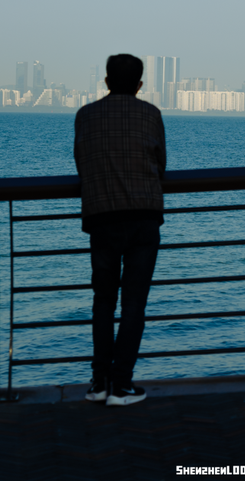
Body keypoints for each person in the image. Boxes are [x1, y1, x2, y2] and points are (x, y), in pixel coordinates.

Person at [74, 53, 166, 406]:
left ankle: (98, 383)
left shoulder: (85, 115)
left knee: (103, 302)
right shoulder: (151, 115)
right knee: (134, 304)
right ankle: (122, 384)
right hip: (143, 217)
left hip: (102, 217)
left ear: (106, 81)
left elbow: (82, 161)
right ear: (139, 85)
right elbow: (160, 165)